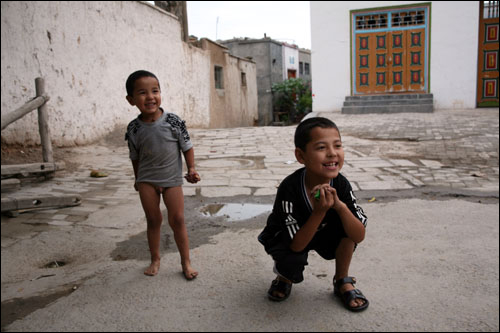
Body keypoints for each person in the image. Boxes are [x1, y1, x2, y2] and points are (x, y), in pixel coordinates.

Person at [258, 117, 369, 311]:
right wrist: (319, 212)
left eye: (338, 145)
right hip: (292, 238)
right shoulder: (290, 188)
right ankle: (284, 277)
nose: (332, 153)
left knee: (348, 228)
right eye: (321, 148)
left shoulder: (341, 184)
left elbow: (358, 235)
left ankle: (342, 279)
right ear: (301, 156)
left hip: (325, 232)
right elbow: (296, 244)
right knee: (290, 256)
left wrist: (340, 207)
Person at [125, 70, 200, 279]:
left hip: (171, 179)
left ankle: (186, 262)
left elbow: (187, 146)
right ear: (131, 100)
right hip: (147, 180)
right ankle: (155, 259)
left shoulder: (174, 121)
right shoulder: (133, 129)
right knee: (153, 219)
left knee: (177, 219)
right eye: (142, 93)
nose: (150, 97)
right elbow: (135, 156)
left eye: (155, 91)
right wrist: (137, 178)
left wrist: (191, 168)